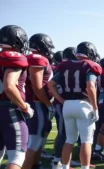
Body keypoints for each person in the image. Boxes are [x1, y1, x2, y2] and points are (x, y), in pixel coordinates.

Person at [48, 41, 102, 169]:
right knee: (86, 141)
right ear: (91, 53)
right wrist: (95, 107)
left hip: (67, 106)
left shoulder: (64, 65)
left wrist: (61, 100)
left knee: (70, 139)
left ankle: (64, 167)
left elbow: (51, 84)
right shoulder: (90, 65)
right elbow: (90, 86)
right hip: (83, 105)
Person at [0, 25, 34, 169]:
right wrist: (24, 106)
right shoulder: (14, 57)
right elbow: (9, 86)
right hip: (9, 110)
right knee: (17, 157)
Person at [23, 33, 56, 169]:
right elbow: (37, 87)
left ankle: (35, 165)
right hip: (36, 103)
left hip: (35, 103)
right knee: (34, 141)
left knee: (39, 139)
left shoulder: (32, 58)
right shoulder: (37, 58)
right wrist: (48, 105)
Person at [51, 46, 81, 168]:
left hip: (65, 103)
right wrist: (61, 100)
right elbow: (51, 85)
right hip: (62, 103)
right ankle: (56, 161)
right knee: (63, 133)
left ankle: (63, 159)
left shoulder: (61, 66)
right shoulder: (62, 67)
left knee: (69, 133)